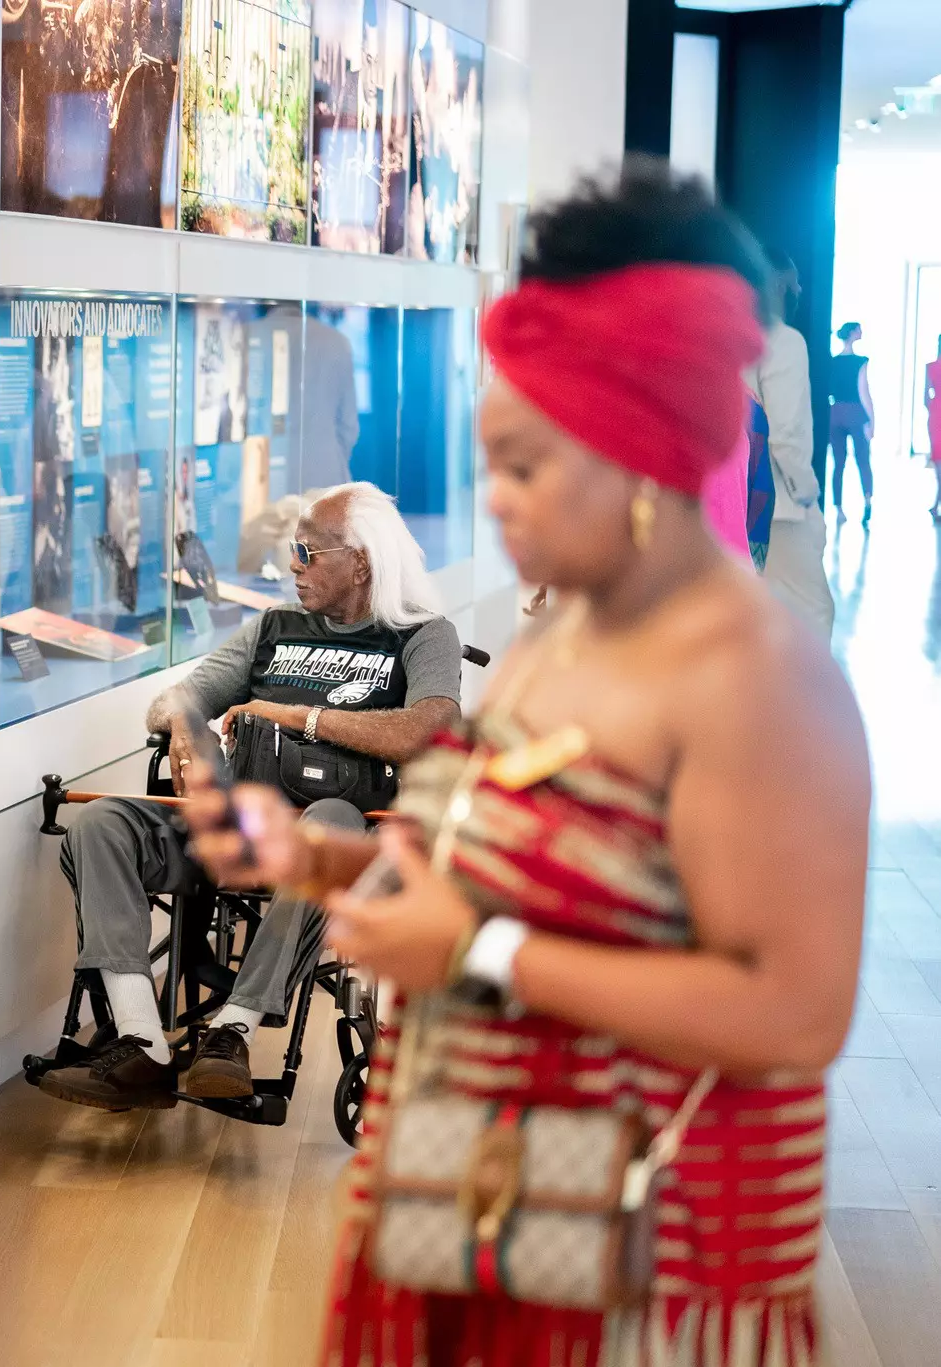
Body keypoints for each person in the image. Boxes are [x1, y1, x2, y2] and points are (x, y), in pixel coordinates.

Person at [182, 160, 866, 1367]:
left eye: (526, 466)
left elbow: (795, 1010)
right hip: (484, 1199)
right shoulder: (568, 639)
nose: (496, 506)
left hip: (639, 1262)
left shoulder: (759, 679)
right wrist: (328, 857)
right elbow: (503, 860)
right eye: (490, 461)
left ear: (639, 448)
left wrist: (474, 949)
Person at [38, 482, 462, 1111]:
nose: (293, 564)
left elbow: (429, 729)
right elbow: (171, 700)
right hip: (231, 827)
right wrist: (183, 722)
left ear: (363, 561)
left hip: (334, 840)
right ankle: (140, 1042)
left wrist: (296, 717)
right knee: (101, 823)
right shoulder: (272, 628)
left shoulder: (420, 635)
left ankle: (231, 1033)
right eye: (294, 550)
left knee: (330, 821)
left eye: (307, 552)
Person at [748, 260, 835, 637]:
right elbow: (783, 433)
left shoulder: (731, 334)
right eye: (795, 282)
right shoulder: (784, 340)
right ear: (780, 283)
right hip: (779, 506)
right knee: (814, 614)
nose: (800, 291)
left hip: (739, 503)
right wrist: (808, 495)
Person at [828, 319, 875, 523]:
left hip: (835, 412)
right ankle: (867, 501)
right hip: (855, 413)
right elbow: (864, 392)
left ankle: (839, 509)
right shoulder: (860, 361)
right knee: (863, 460)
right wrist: (872, 420)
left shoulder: (833, 362)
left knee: (838, 464)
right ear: (853, 333)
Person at [925, 335, 941, 518]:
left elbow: (925, 397)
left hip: (936, 414)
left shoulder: (930, 367)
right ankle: (936, 503)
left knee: (938, 461)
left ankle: (936, 503)